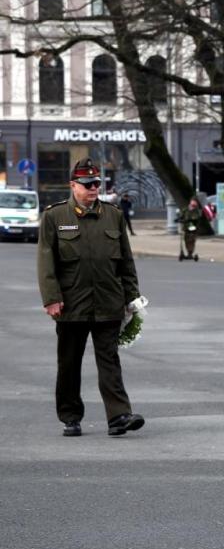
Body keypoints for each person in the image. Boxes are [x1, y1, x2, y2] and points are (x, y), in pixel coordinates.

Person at [36, 158, 145, 438]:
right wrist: (51, 298)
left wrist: (132, 298)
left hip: (109, 302)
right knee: (69, 363)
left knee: (109, 361)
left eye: (97, 183)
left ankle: (119, 416)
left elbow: (126, 262)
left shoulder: (113, 215)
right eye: (87, 184)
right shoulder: (54, 217)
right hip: (71, 304)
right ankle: (71, 416)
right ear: (73, 185)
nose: (93, 188)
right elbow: (46, 262)